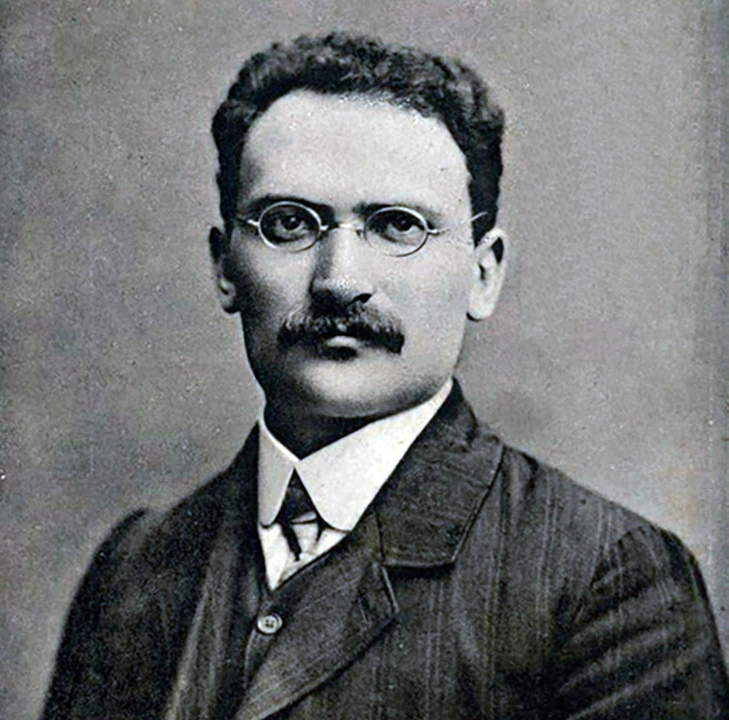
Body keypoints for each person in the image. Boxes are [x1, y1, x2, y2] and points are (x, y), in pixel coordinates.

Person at [41, 32, 728, 720]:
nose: (339, 280)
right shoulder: (136, 566)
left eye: (398, 226)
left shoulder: (605, 577)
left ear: (483, 274)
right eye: (289, 223)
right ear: (225, 267)